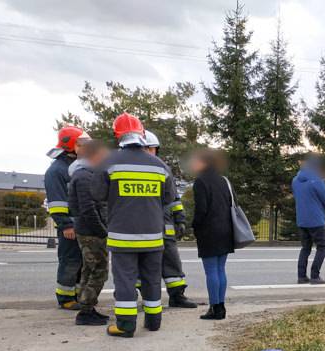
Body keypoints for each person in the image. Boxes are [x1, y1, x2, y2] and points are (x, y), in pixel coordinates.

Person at [91, 113, 176, 338]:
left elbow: (97, 194)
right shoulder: (160, 165)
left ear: (117, 135)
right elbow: (169, 198)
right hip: (153, 235)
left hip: (122, 236)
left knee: (125, 280)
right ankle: (154, 321)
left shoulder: (108, 163)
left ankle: (126, 325)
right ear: (142, 134)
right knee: (152, 279)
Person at [142, 130, 197, 308]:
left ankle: (177, 296)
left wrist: (180, 219)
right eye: (146, 148)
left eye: (151, 149)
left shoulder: (162, 168)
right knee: (142, 264)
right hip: (144, 226)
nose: (149, 152)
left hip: (165, 224)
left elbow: (174, 198)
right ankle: (145, 299)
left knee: (172, 261)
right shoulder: (134, 168)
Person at [68, 137, 110, 326]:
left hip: (88, 230)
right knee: (99, 270)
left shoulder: (84, 174)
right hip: (91, 232)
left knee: (89, 269)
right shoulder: (85, 176)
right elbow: (88, 209)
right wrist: (102, 231)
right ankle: (85, 311)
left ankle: (87, 308)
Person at [190, 149, 234, 320]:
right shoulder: (224, 180)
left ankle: (214, 308)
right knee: (220, 269)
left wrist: (194, 226)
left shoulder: (200, 181)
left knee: (211, 271)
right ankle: (221, 307)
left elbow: (201, 210)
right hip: (226, 230)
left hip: (209, 231)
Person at [45, 125, 86, 309]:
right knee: (70, 261)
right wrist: (66, 225)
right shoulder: (57, 171)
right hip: (70, 227)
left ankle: (77, 295)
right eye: (81, 144)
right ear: (72, 146)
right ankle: (66, 299)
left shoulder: (74, 166)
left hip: (81, 225)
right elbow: (56, 203)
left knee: (81, 262)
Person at [292, 154, 325, 285]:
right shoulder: (316, 181)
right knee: (322, 247)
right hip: (315, 220)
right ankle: (315, 276)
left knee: (305, 248)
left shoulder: (295, 180)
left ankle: (301, 276)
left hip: (301, 220)